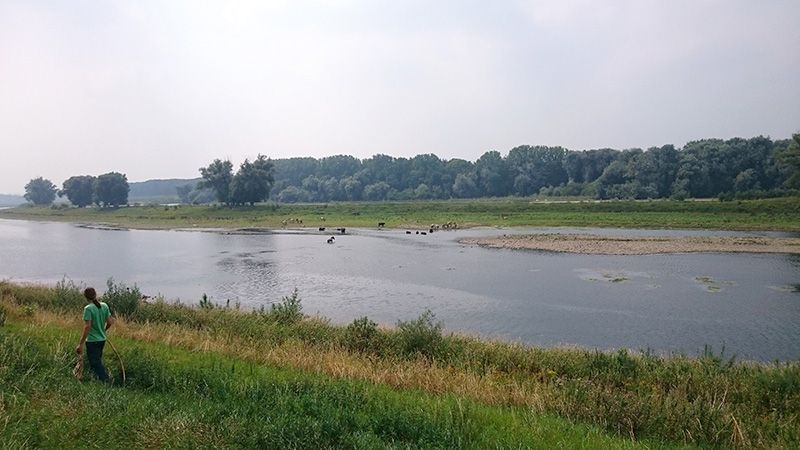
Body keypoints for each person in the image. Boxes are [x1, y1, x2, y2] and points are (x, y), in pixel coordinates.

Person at [75, 287, 114, 382]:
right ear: (95, 294)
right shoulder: (104, 306)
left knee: (95, 363)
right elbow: (110, 322)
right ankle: (95, 380)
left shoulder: (88, 309)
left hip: (92, 341)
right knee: (97, 360)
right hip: (102, 340)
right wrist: (103, 330)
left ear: (86, 297)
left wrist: (81, 344)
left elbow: (87, 327)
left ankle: (106, 381)